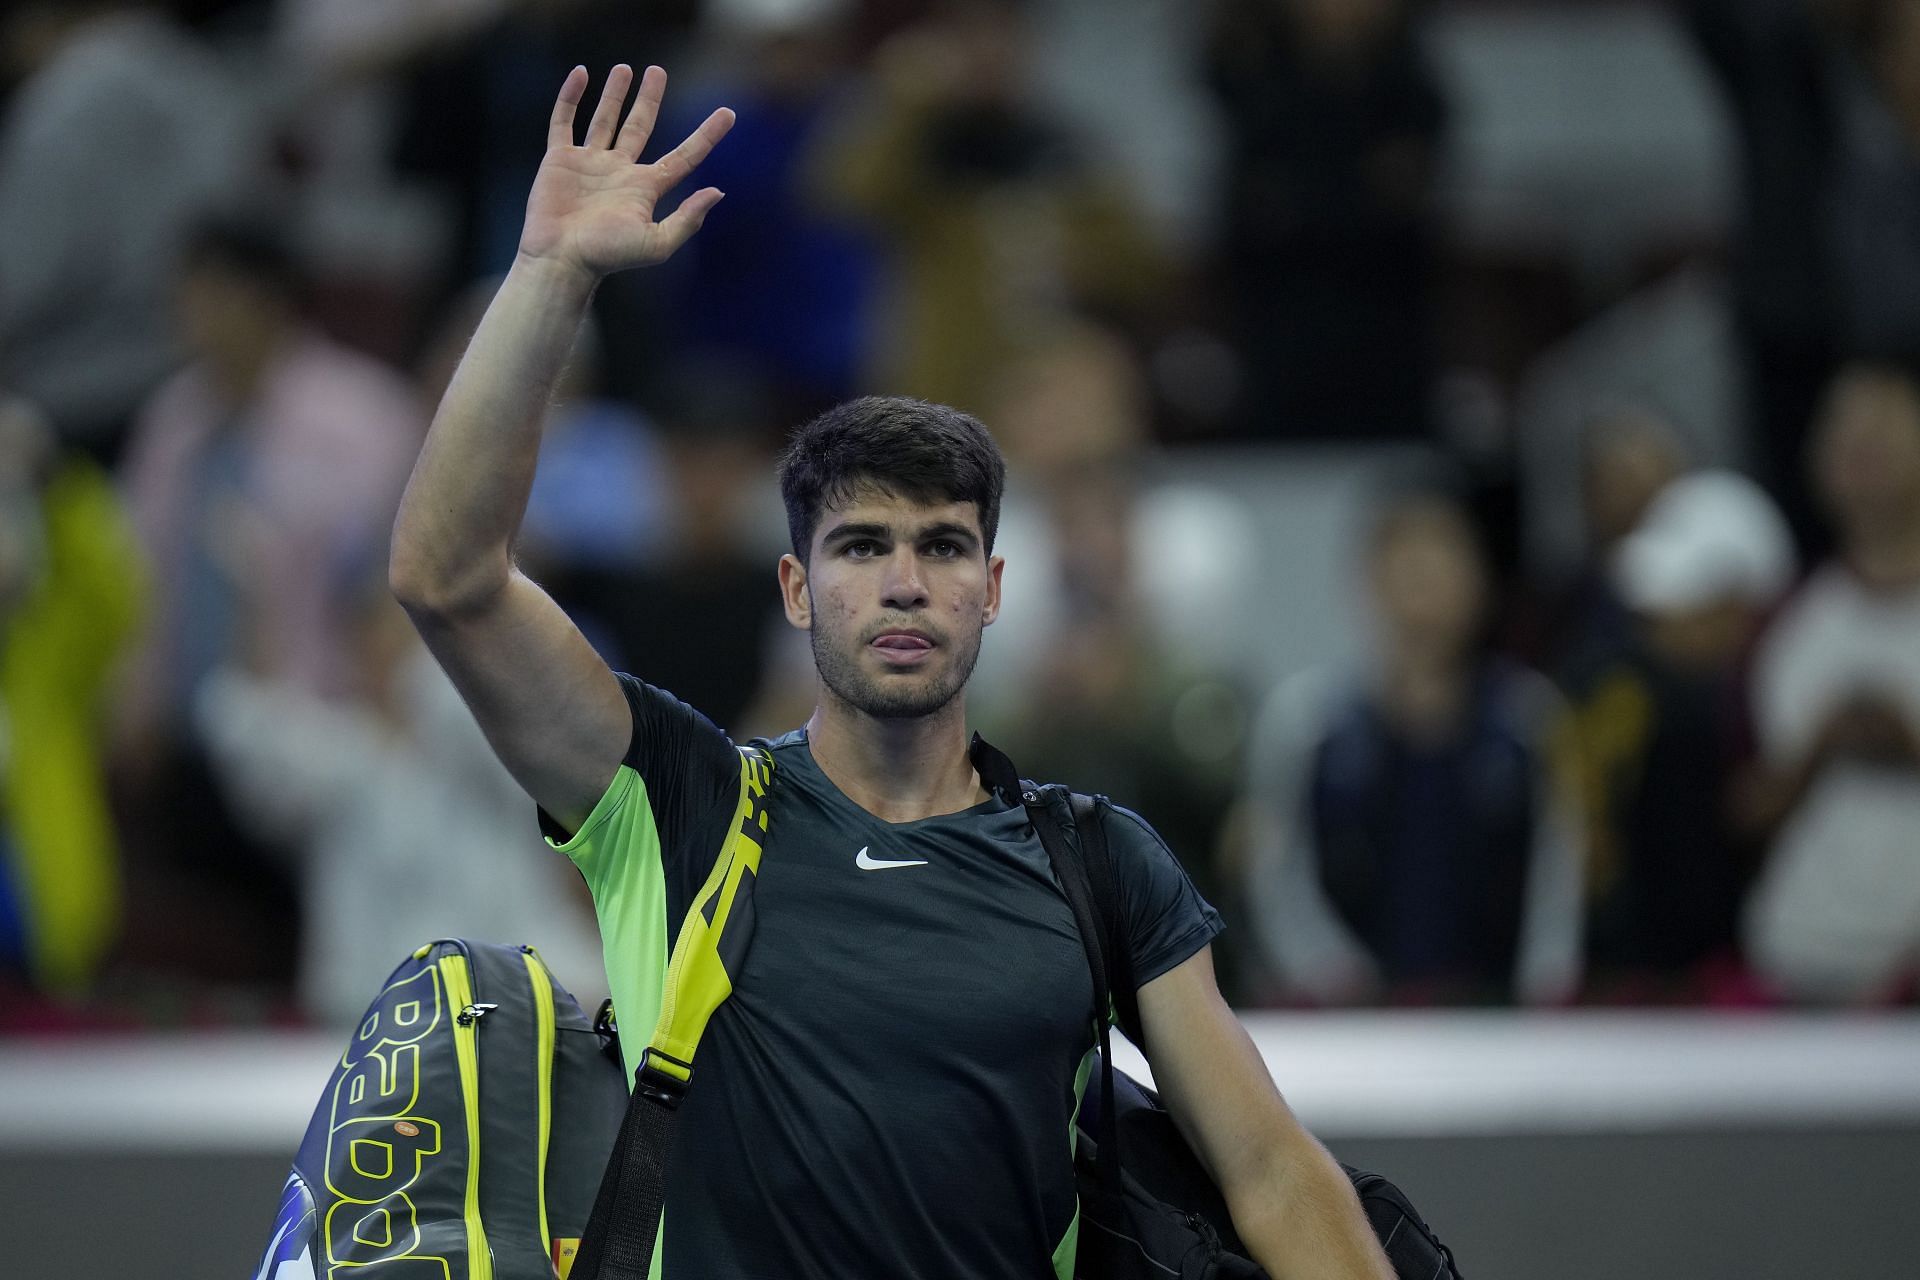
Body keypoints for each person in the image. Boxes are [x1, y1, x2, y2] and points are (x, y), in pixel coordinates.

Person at [388, 62, 1393, 1280]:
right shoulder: (680, 800)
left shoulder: (1096, 857)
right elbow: (447, 578)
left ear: (992, 590)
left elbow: (1273, 1168)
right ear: (799, 591)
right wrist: (549, 277)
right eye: (862, 547)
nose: (907, 581)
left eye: (944, 547)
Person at [1242, 480, 1584, 1007]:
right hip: (1354, 1022)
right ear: (1368, 580)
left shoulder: (1528, 719)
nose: (1423, 588)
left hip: (1503, 1017)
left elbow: (1557, 876)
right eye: (1405, 566)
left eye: (1443, 563)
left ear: (1479, 582)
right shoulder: (1308, 724)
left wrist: (1542, 991)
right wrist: (1338, 982)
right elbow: (1278, 878)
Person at [1742, 361, 1920, 1002]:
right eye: (1842, 431)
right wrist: (1822, 747)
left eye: (1881, 427)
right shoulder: (1792, 625)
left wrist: (1907, 744)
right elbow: (1747, 812)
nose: (1860, 444)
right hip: (1805, 960)